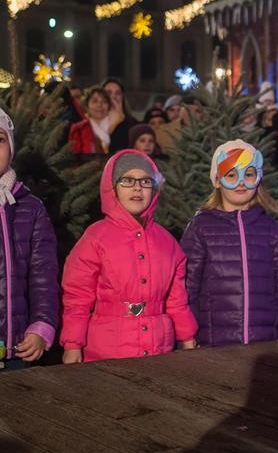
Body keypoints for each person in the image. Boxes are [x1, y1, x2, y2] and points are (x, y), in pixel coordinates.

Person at [60, 150, 197, 362]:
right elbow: (77, 296)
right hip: (106, 353)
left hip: (158, 352)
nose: (137, 187)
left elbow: (177, 300)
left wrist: (187, 338)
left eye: (145, 181)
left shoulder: (168, 243)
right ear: (112, 188)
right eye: (127, 180)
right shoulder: (96, 238)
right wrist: (72, 344)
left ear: (154, 189)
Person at [180, 139, 278, 347]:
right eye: (231, 175)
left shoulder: (271, 230)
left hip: (264, 346)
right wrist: (187, 336)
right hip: (213, 347)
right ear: (217, 180)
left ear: (258, 178)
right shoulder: (200, 228)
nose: (241, 182)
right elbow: (188, 288)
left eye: (248, 174)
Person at [0, 109, 58, 369]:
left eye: (0, 139)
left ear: (11, 148)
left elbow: (43, 273)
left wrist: (42, 324)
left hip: (16, 348)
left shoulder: (30, 207)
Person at [69, 86, 112, 155]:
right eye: (95, 101)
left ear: (109, 106)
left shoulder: (118, 126)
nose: (99, 105)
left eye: (104, 102)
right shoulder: (78, 129)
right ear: (87, 105)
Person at [102, 78, 137, 153]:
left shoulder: (133, 124)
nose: (113, 96)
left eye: (118, 93)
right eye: (108, 93)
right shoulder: (92, 123)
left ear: (122, 97)